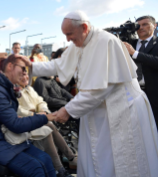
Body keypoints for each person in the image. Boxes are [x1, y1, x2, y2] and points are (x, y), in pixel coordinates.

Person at [19, 11, 158, 177]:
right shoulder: (80, 41)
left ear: (84, 27)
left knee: (119, 163)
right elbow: (60, 65)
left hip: (121, 112)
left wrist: (68, 110)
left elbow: (99, 89)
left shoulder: (105, 42)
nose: (68, 39)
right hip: (98, 112)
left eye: (69, 34)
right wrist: (27, 66)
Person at [0, 54, 56, 177]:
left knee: (47, 159)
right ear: (10, 66)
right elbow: (15, 124)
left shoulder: (5, 88)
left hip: (6, 137)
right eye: (23, 68)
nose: (25, 72)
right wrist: (46, 117)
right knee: (35, 168)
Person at [18, 74, 77, 177]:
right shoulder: (15, 90)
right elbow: (17, 111)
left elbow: (41, 101)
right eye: (21, 75)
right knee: (47, 128)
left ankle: (67, 162)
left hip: (38, 119)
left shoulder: (30, 88)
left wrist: (43, 110)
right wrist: (34, 114)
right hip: (25, 123)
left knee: (48, 125)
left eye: (26, 74)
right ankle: (63, 166)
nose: (25, 77)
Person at [123, 15, 158, 126]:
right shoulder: (129, 43)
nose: (141, 28)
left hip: (154, 94)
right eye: (138, 25)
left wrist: (135, 53)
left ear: (155, 26)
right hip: (133, 93)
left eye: (145, 24)